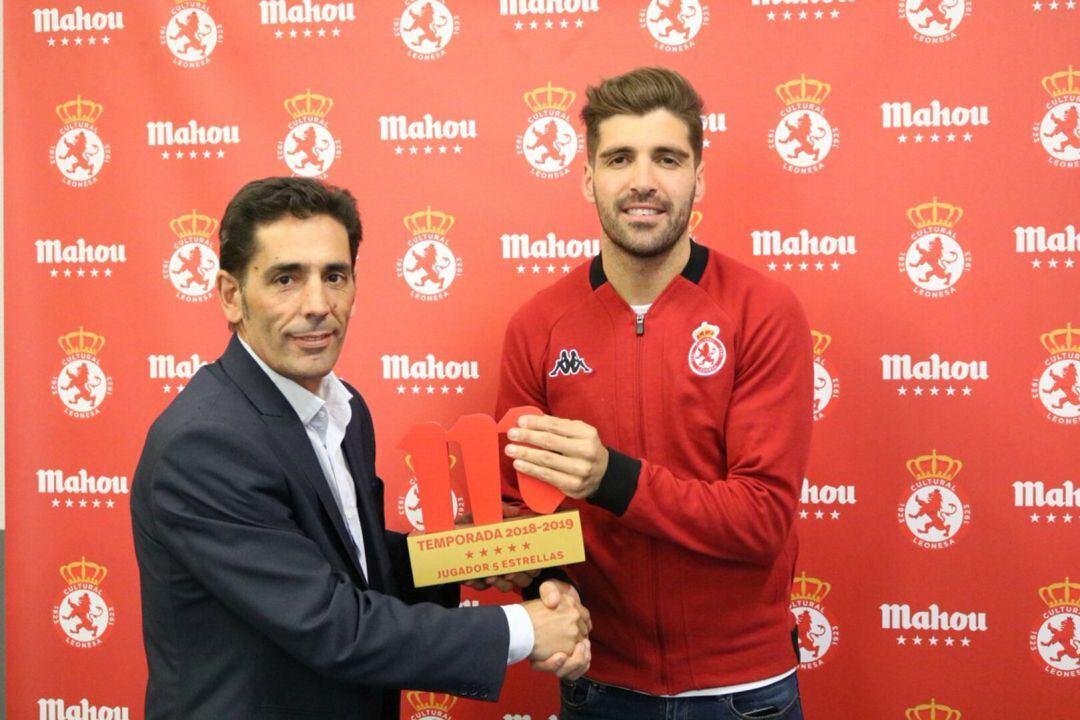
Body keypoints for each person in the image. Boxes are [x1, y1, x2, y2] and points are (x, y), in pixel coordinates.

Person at [130, 177, 590, 720]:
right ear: (232, 296)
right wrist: (524, 629)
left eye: (334, 276)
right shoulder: (204, 444)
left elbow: (354, 564)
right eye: (285, 279)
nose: (318, 305)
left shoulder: (344, 408)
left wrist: (463, 558)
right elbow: (330, 623)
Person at [493, 68, 812, 719]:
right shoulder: (538, 324)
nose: (643, 181)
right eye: (618, 158)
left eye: (668, 158)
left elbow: (761, 518)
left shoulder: (762, 311)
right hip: (601, 685)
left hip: (744, 692)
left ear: (698, 176)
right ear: (588, 177)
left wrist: (612, 477)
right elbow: (513, 509)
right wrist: (548, 587)